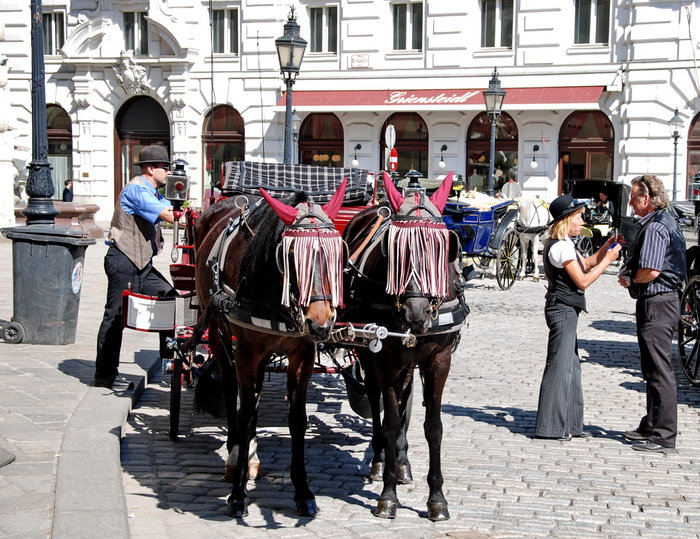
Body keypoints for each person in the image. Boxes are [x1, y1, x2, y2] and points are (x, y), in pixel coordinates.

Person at [534, 194, 622, 440]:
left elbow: (587, 264)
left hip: (566, 307)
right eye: (579, 216)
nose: (583, 221)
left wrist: (607, 247)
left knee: (571, 366)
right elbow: (583, 280)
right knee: (559, 366)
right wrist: (607, 262)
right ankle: (550, 428)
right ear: (567, 219)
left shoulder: (565, 243)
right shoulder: (561, 246)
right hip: (561, 308)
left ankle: (570, 424)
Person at [94, 145, 179, 389]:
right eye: (165, 167)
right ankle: (104, 376)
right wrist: (184, 214)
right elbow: (170, 215)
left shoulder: (153, 192)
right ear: (150, 169)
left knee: (169, 298)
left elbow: (174, 208)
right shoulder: (137, 190)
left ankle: (168, 360)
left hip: (142, 264)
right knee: (115, 316)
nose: (168, 172)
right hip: (123, 259)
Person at [618, 174, 686, 453]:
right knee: (651, 367)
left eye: (634, 199)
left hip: (657, 300)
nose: (632, 204)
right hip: (658, 300)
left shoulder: (657, 227)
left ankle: (664, 435)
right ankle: (651, 424)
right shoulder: (662, 221)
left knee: (659, 370)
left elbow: (652, 270)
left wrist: (632, 279)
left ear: (646, 199)